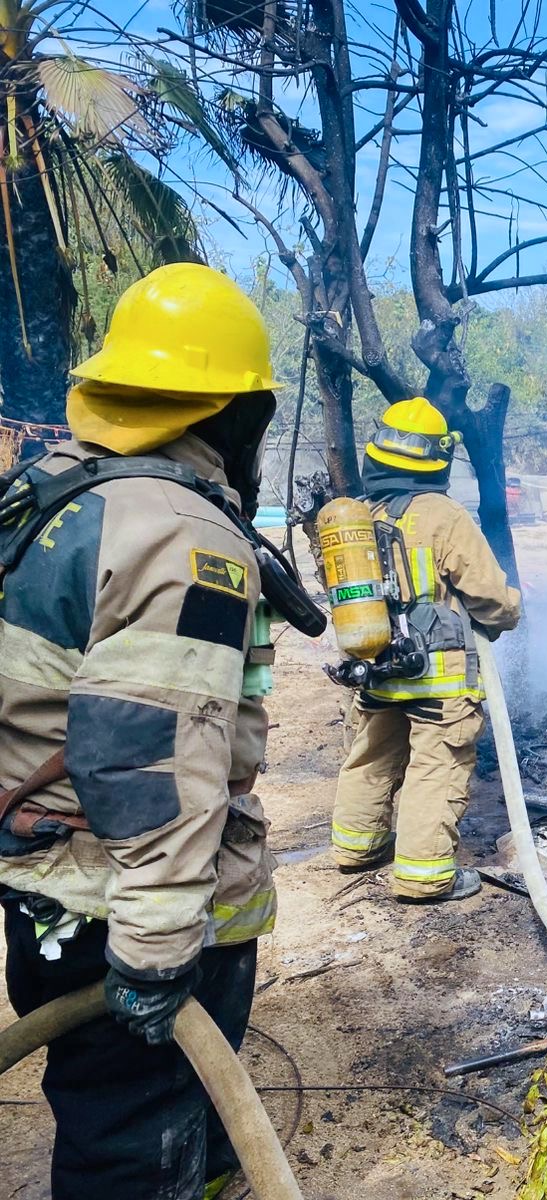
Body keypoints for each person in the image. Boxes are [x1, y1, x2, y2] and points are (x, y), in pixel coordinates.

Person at [0, 263, 290, 1199]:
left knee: (119, 1119)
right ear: (238, 411)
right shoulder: (178, 533)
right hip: (120, 903)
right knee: (137, 1152)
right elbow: (151, 754)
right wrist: (158, 950)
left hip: (45, 878)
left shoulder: (47, 493)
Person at [328, 397, 522, 902]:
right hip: (437, 677)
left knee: (370, 755)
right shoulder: (443, 515)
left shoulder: (354, 518)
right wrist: (510, 612)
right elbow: (489, 596)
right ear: (437, 463)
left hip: (372, 665)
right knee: (436, 765)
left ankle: (356, 846)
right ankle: (424, 874)